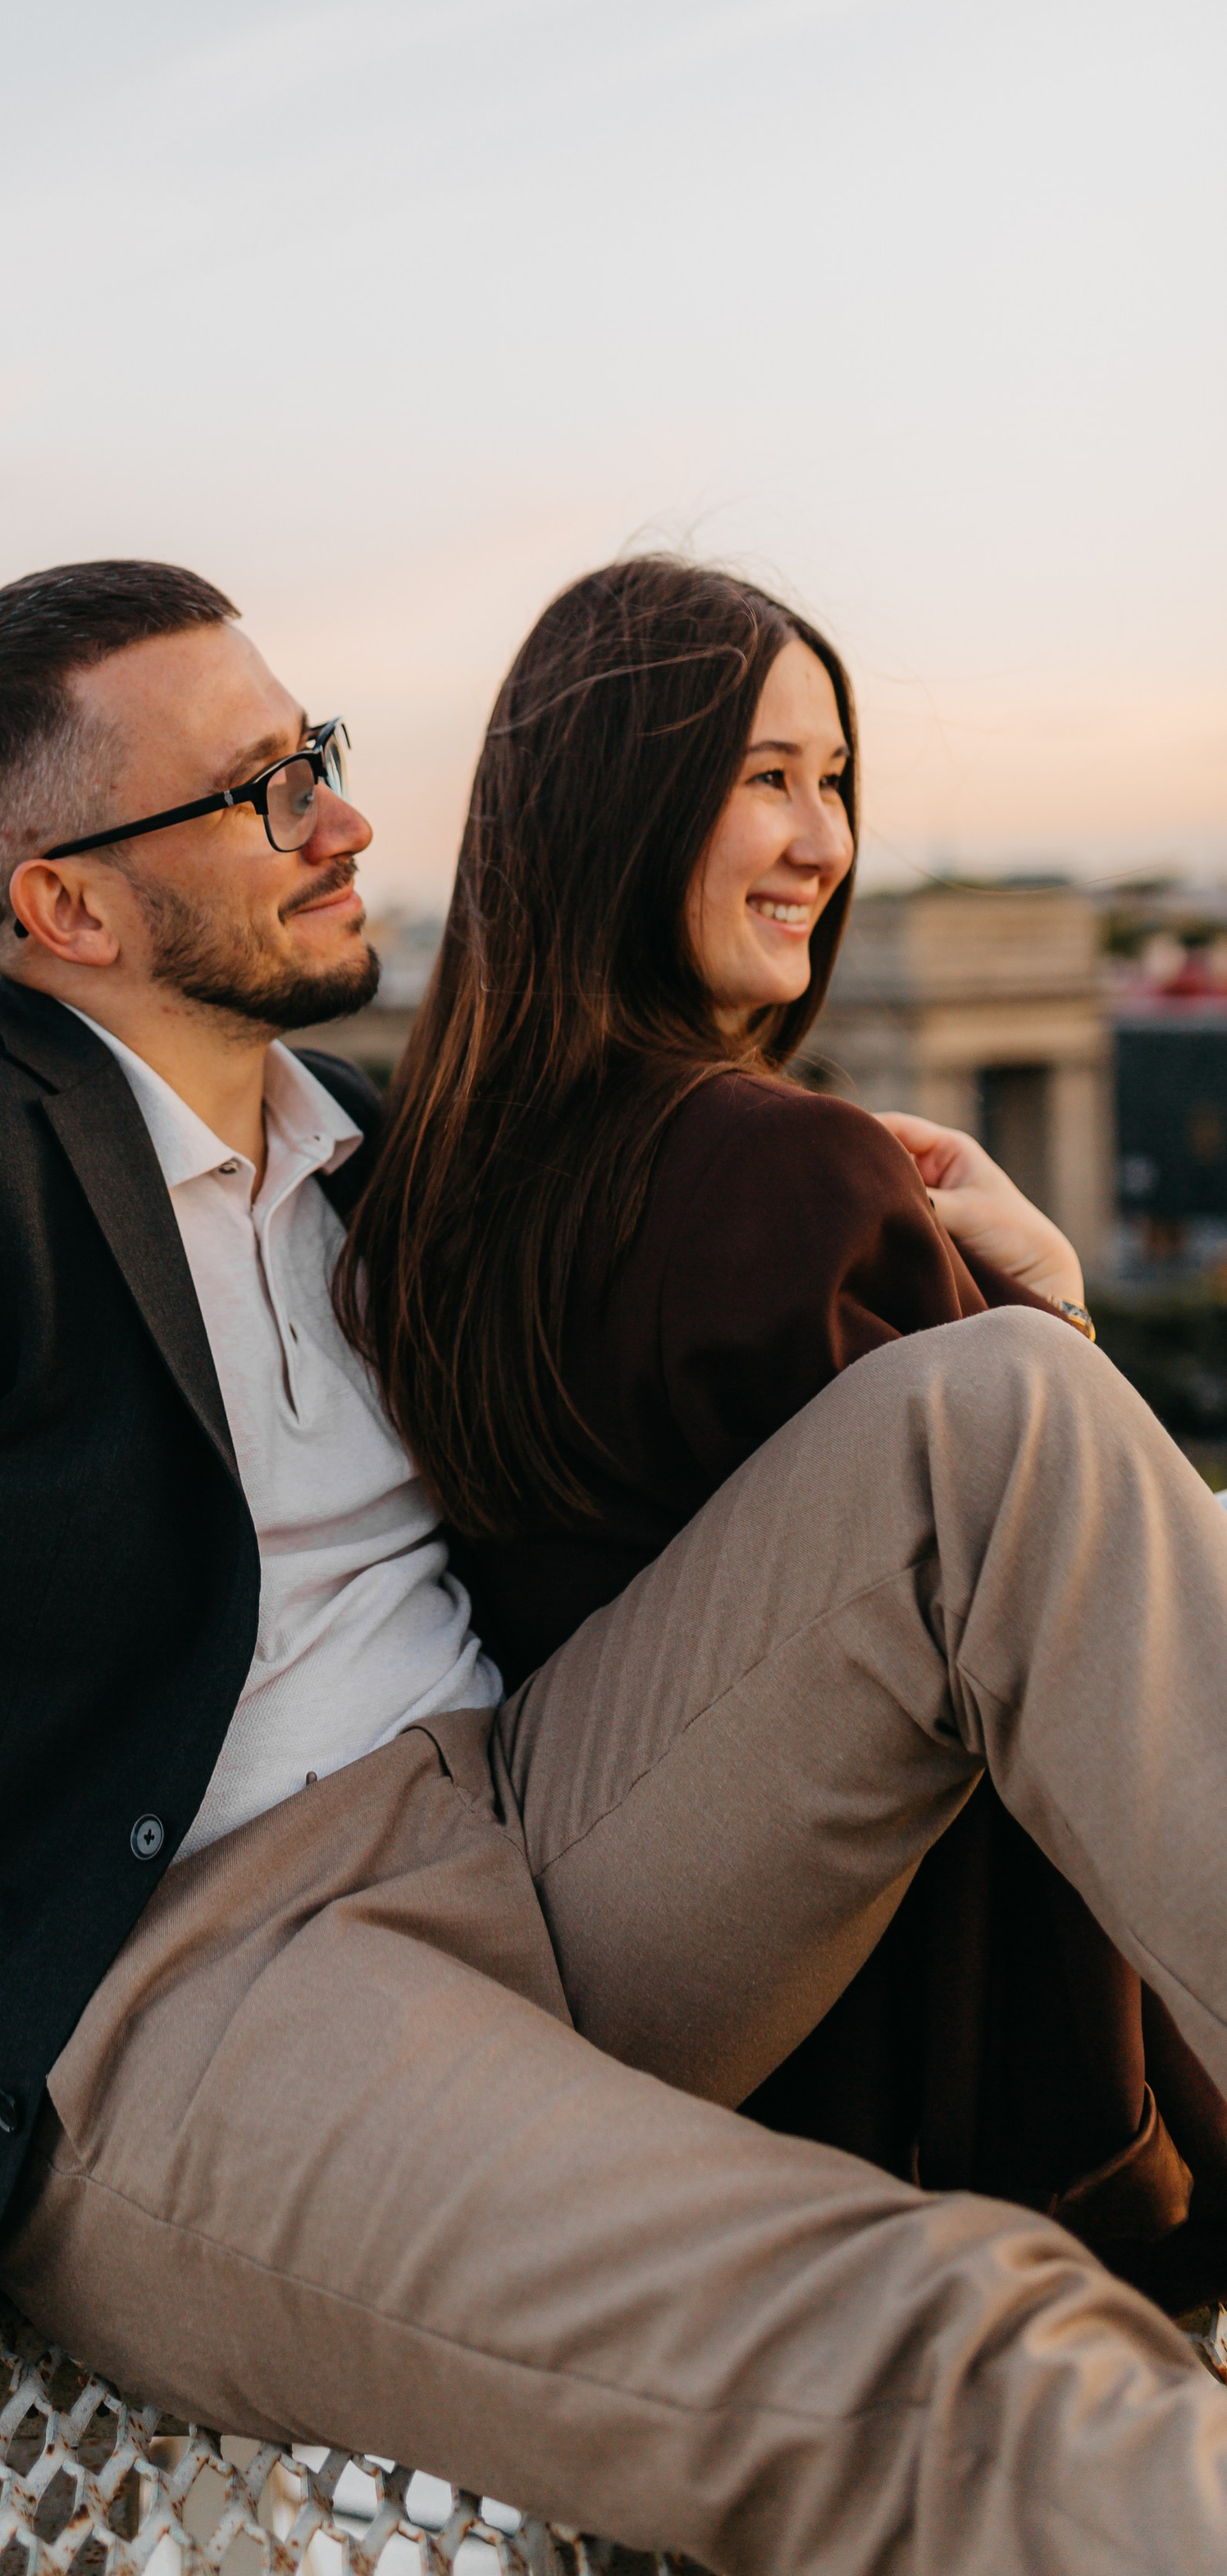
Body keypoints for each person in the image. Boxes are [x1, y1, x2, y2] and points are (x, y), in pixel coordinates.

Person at [0, 560, 1227, 2576]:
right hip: (195, 1999)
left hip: (534, 1833)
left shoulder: (371, 1142)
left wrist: (1022, 1297)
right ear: (69, 908)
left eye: (320, 758)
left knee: (999, 1415)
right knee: (938, 2340)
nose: (347, 820)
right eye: (263, 790)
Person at [340, 555, 1227, 2300]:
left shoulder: (415, 1182)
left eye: (831, 784)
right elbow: (1062, 1737)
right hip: (871, 2109)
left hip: (556, 1989)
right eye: (762, 778)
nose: (820, 840)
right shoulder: (776, 1173)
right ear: (618, 803)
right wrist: (1043, 1314)